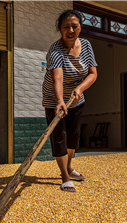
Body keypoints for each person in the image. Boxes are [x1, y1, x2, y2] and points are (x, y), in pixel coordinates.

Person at [42, 9, 98, 192]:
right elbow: (57, 78)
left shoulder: (87, 46)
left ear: (80, 27)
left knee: (73, 137)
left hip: (76, 98)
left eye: (75, 26)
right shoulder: (55, 49)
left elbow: (93, 73)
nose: (71, 30)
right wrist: (60, 101)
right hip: (54, 99)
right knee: (60, 138)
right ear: (60, 29)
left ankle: (69, 167)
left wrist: (80, 88)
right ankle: (65, 177)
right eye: (66, 27)